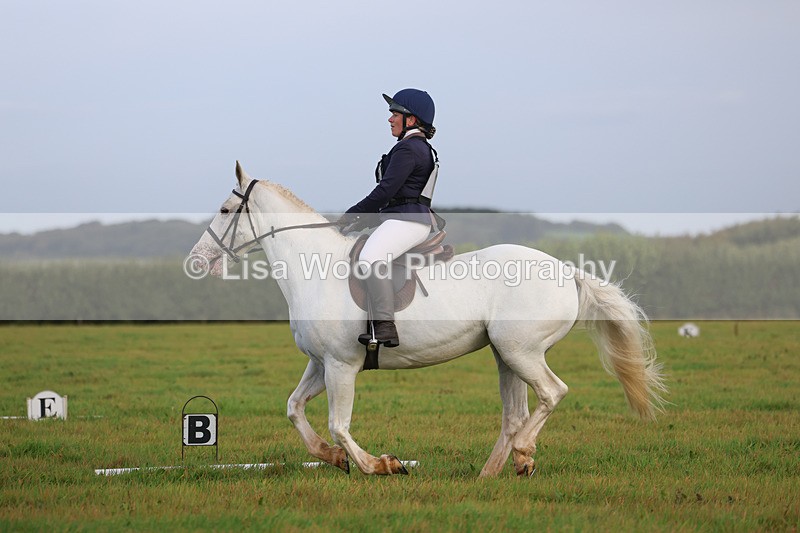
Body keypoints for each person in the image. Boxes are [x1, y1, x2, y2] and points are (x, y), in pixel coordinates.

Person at [338, 88, 439, 348]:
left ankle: (385, 325)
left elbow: (386, 191)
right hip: (401, 218)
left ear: (412, 119)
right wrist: (363, 220)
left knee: (370, 258)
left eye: (395, 113)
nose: (390, 118)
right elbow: (395, 198)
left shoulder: (409, 149)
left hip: (409, 221)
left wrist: (354, 212)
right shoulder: (414, 147)